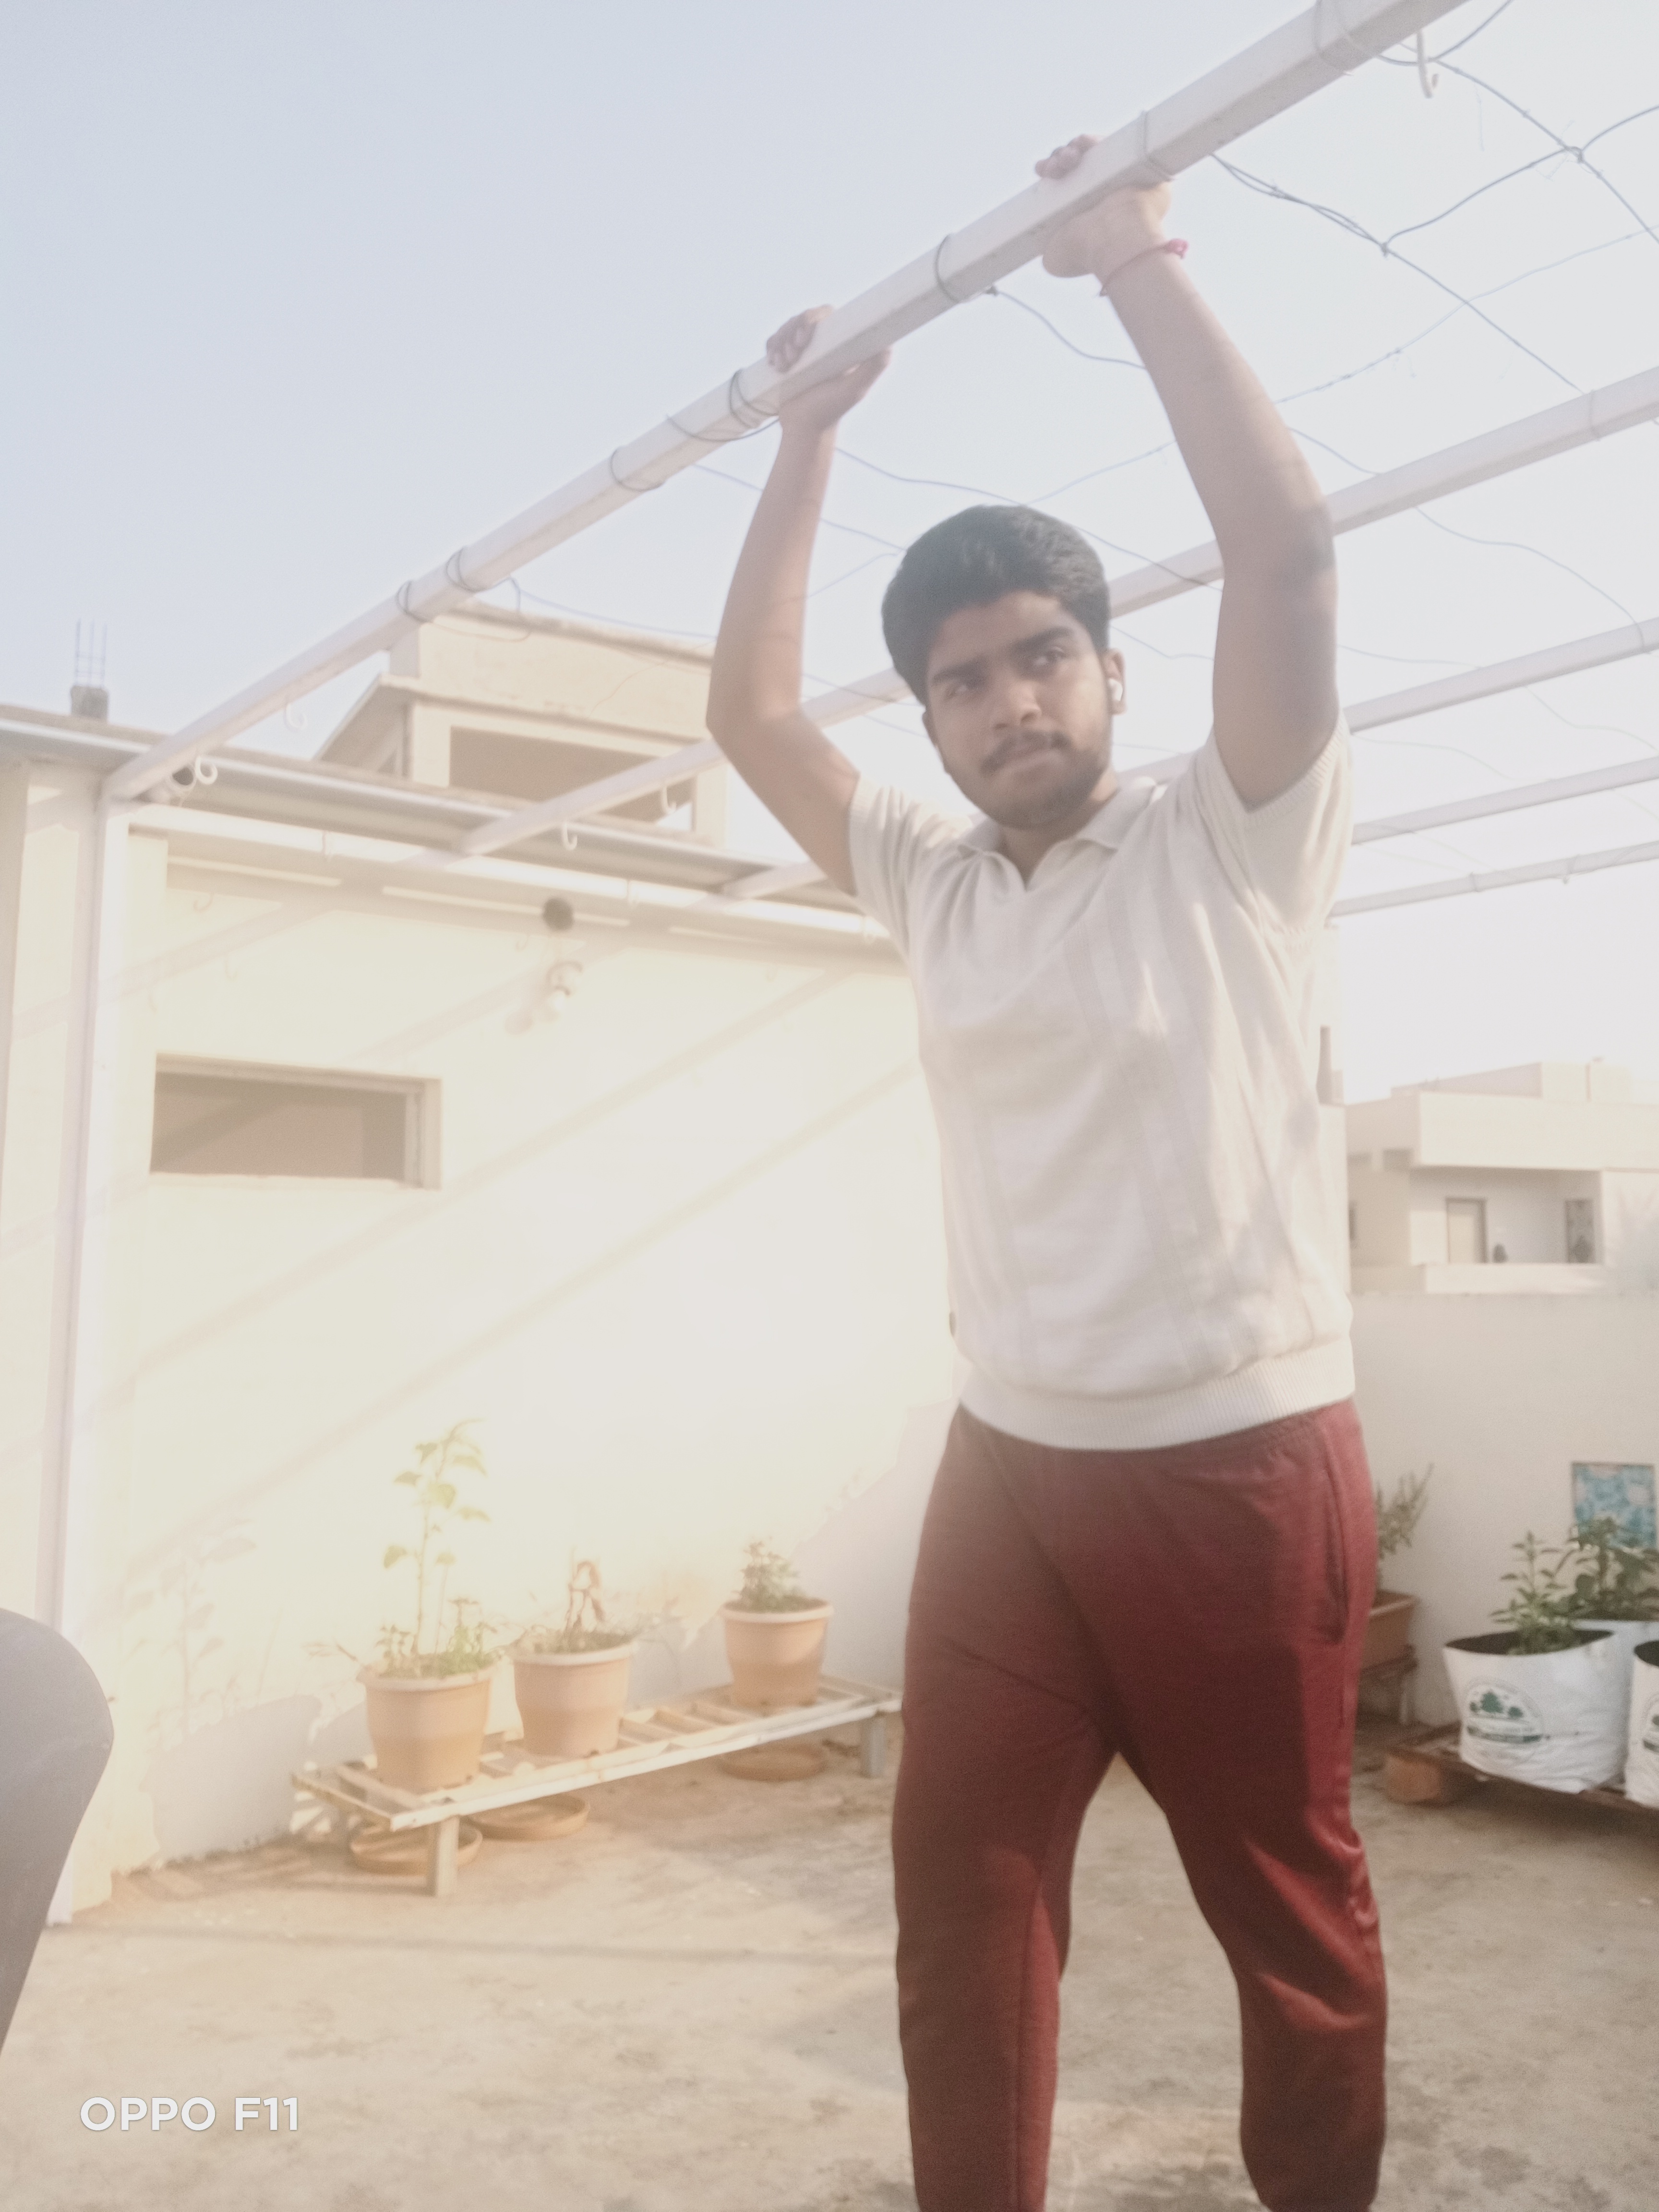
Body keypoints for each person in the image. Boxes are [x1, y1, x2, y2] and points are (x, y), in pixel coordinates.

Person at [706, 135, 1384, 2212]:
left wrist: (1140, 263)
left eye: (1038, 657)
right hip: (1011, 1465)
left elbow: (1285, 554)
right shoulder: (929, 879)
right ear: (933, 720)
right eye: (963, 681)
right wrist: (807, 436)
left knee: (1288, 1918)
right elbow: (751, 712)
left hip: (1238, 1468)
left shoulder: (1232, 835)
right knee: (965, 1904)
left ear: (1107, 668)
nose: (1007, 702)